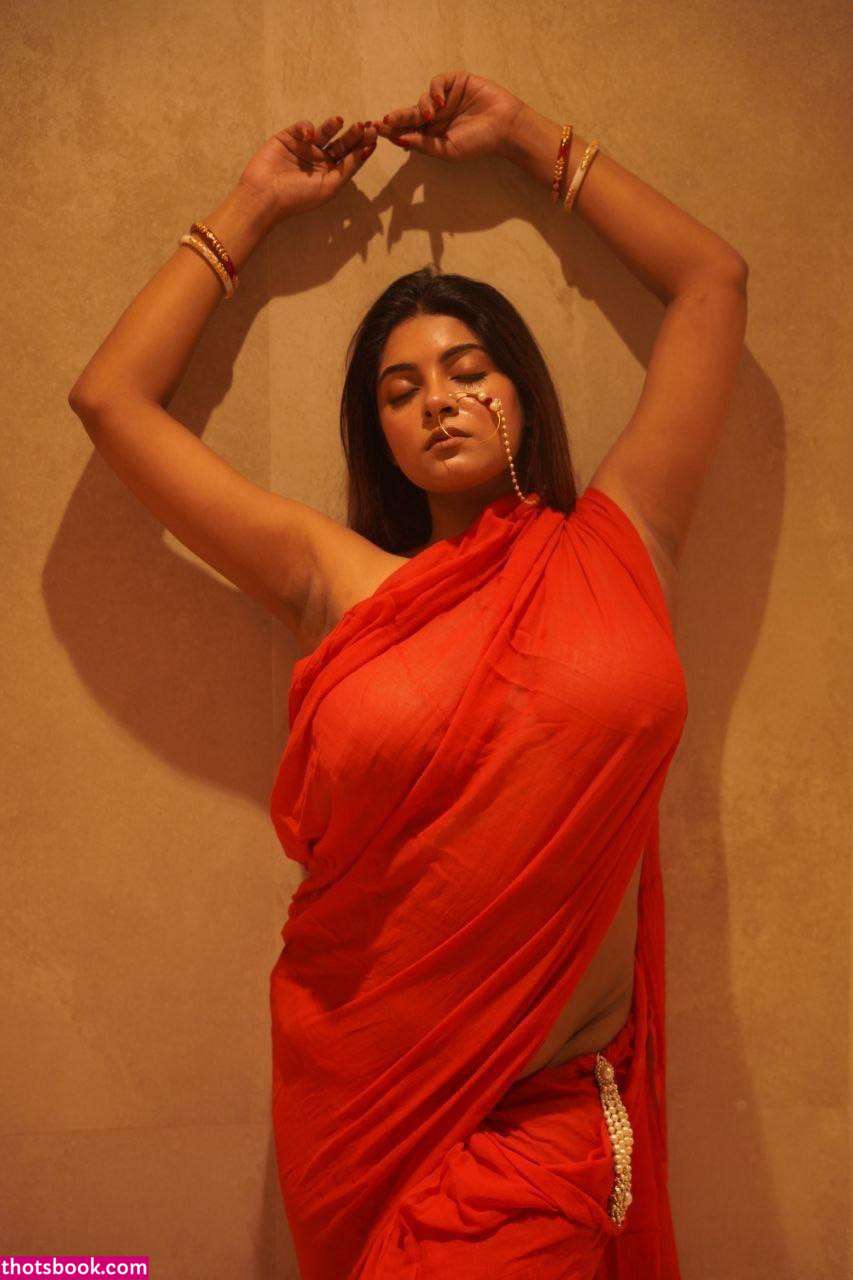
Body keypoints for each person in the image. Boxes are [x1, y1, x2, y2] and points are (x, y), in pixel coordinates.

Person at [68, 69, 748, 1280]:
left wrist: (526, 137)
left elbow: (713, 280)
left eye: (467, 368)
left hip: (552, 1121)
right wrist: (251, 206)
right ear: (378, 433)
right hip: (368, 1098)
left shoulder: (622, 539)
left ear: (518, 387)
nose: (439, 399)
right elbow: (111, 400)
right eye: (401, 388)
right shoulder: (340, 581)